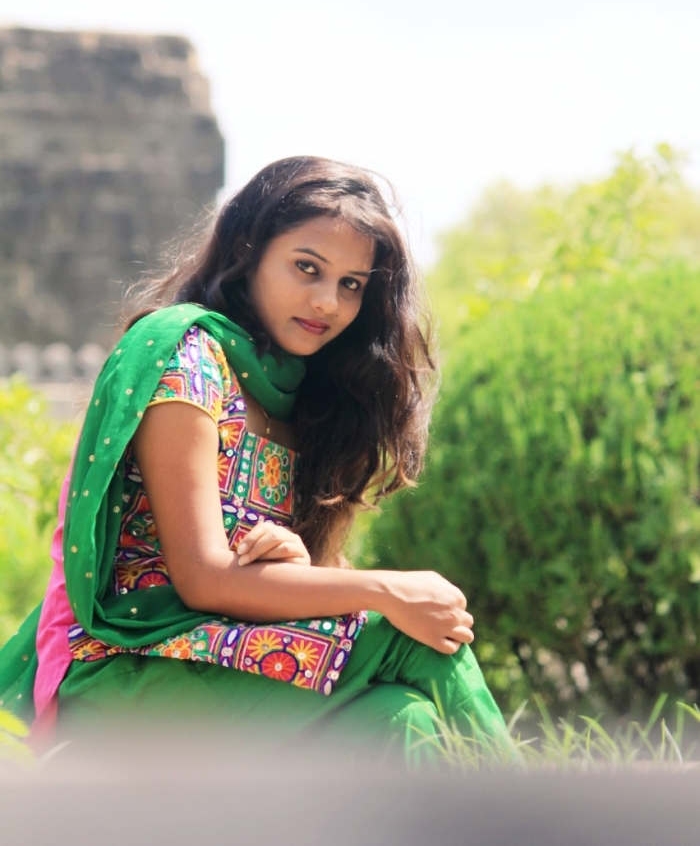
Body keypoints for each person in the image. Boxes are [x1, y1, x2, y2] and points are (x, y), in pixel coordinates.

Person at [0, 156, 506, 764]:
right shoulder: (187, 357)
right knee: (415, 643)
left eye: (351, 284)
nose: (327, 302)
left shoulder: (309, 401)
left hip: (226, 664)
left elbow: (295, 591)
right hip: (126, 672)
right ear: (249, 251)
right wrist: (385, 590)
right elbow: (205, 578)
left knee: (402, 718)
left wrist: (297, 565)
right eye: (307, 268)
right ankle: (540, 812)